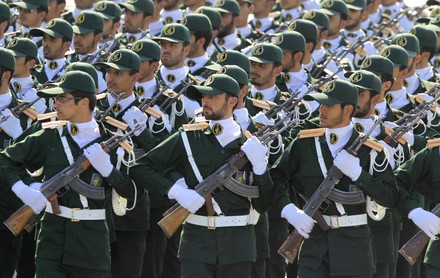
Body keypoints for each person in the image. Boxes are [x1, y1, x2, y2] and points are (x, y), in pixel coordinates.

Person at [130, 73, 273, 277]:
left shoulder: (250, 144)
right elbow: (140, 168)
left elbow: (264, 204)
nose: (205, 101)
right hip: (196, 245)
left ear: (232, 101)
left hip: (238, 247)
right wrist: (176, 191)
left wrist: (260, 167)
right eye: (203, 96)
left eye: (212, 96)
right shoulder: (188, 137)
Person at [0, 70, 133, 277]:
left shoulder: (112, 141)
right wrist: (25, 188)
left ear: (84, 102)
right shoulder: (49, 135)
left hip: (91, 243)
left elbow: (133, 193)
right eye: (56, 99)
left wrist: (109, 170)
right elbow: (5, 160)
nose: (56, 104)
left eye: (63, 98)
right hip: (52, 239)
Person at [270, 79, 399, 277]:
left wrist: (359, 174)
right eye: (321, 104)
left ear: (347, 109)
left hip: (354, 249)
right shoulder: (305, 143)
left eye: (329, 105)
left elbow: (390, 197)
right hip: (314, 246)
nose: (321, 110)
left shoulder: (369, 150)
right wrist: (289, 210)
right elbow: (276, 178)